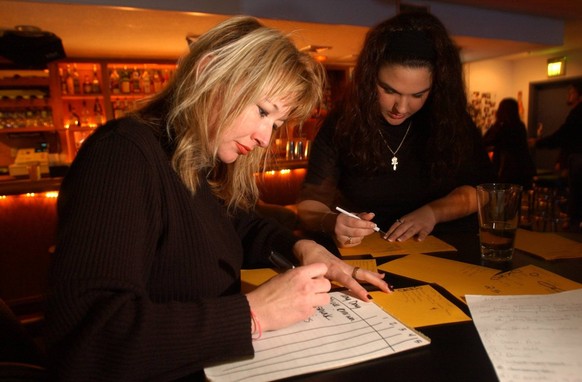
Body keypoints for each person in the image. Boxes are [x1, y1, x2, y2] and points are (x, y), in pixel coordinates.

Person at [44, 16, 389, 381]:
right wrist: (254, 312)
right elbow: (87, 339)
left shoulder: (193, 159)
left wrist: (304, 249)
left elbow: (237, 226)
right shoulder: (121, 155)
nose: (263, 138)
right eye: (262, 111)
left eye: (275, 124)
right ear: (208, 73)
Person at [296, 11, 495, 247]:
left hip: (446, 250)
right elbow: (310, 204)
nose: (400, 107)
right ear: (370, 79)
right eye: (389, 90)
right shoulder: (344, 122)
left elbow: (481, 191)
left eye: (418, 95)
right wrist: (330, 222)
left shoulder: (450, 121)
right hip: (368, 254)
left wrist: (433, 213)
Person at [533, 80, 582, 231]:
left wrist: (538, 142)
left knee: (576, 194)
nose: (568, 95)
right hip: (574, 158)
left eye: (571, 92)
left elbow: (563, 136)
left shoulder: (578, 113)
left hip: (578, 159)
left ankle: (573, 225)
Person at [483, 97, 536, 189]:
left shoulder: (501, 127)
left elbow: (485, 141)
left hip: (506, 171)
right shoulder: (520, 126)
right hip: (523, 169)